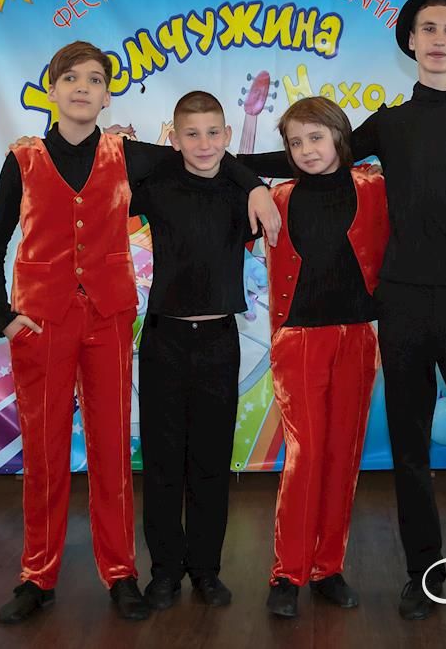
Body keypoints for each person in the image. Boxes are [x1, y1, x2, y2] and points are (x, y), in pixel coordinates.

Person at [241, 0, 446, 629]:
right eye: (427, 28)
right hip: (401, 303)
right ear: (409, 40)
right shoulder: (391, 123)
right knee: (409, 446)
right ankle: (423, 575)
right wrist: (237, 174)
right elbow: (313, 157)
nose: (438, 39)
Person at [0, 42, 277, 624]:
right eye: (71, 78)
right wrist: (3, 314)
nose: (82, 88)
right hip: (41, 322)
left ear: (107, 94)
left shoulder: (128, 154)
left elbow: (208, 158)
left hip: (109, 319)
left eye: (95, 79)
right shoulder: (23, 158)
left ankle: (120, 573)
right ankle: (37, 576)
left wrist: (257, 186)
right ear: (52, 89)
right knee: (44, 455)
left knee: (113, 452)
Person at [129, 91, 262, 611]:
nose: (203, 144)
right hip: (164, 339)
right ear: (174, 137)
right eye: (191, 134)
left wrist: (251, 181)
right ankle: (164, 571)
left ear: (227, 136)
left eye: (213, 133)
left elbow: (280, 172)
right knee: (163, 463)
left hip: (219, 342)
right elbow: (108, 162)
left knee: (210, 462)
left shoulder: (241, 191)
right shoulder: (157, 185)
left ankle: (206, 569)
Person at [263, 96, 388, 618]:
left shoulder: (375, 187)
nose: (306, 150)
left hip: (357, 336)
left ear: (339, 135)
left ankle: (327, 568)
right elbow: (216, 170)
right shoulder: (276, 196)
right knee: (305, 456)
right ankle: (287, 573)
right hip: (299, 339)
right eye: (295, 142)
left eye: (315, 137)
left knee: (342, 456)